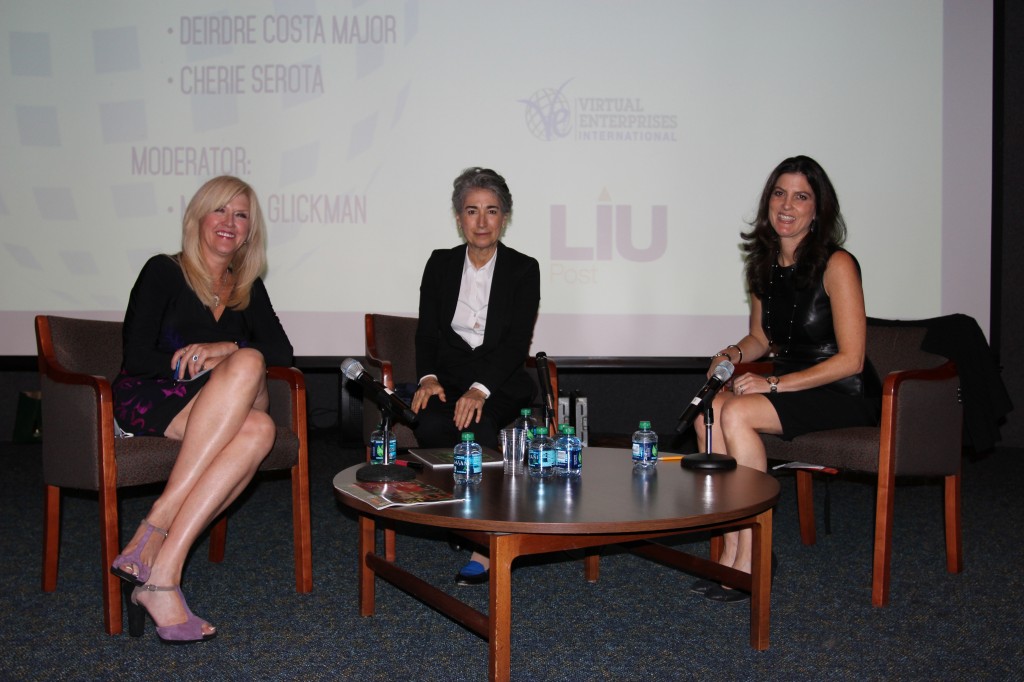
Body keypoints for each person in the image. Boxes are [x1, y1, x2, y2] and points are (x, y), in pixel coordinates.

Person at [109, 176, 293, 642]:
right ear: (198, 218)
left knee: (249, 360)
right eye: (220, 211)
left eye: (241, 215)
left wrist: (225, 348)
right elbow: (136, 356)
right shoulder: (163, 271)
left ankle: (159, 545)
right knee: (258, 431)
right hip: (156, 394)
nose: (229, 222)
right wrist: (193, 361)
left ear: (250, 231)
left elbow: (283, 352)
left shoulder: (246, 286)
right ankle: (162, 555)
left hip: (218, 403)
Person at [693, 155, 880, 603]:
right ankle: (732, 548)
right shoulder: (764, 263)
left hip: (841, 388)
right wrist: (731, 355)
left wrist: (772, 385)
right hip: (791, 375)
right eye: (779, 193)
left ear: (818, 209)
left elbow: (852, 360)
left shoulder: (838, 264)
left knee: (734, 414)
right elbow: (760, 338)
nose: (787, 205)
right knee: (707, 416)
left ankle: (755, 552)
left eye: (801, 196)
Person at [410, 167, 540, 585]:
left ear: (505, 217)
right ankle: (459, 510)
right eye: (471, 211)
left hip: (499, 379)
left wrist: (480, 390)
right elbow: (427, 331)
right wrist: (428, 377)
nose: (481, 222)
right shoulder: (440, 263)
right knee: (429, 423)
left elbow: (516, 342)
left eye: (491, 211)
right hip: (447, 377)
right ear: (459, 217)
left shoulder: (524, 268)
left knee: (478, 427)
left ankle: (484, 543)